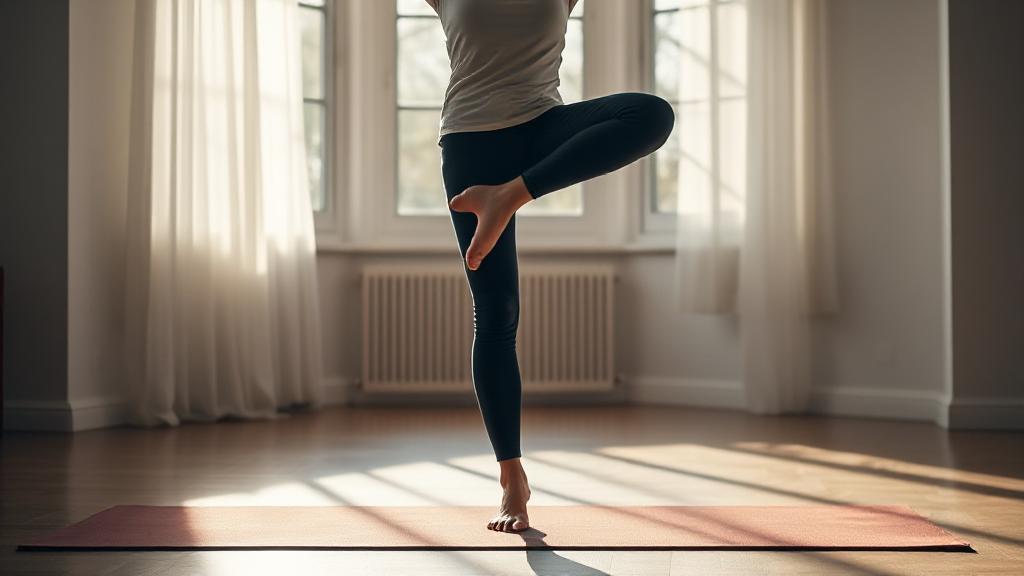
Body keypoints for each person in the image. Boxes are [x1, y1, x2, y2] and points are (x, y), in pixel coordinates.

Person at [423, 0, 675, 533]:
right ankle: (512, 476)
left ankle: (510, 195)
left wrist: (516, 189)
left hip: (543, 126)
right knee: (497, 309)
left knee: (652, 114)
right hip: (470, 141)